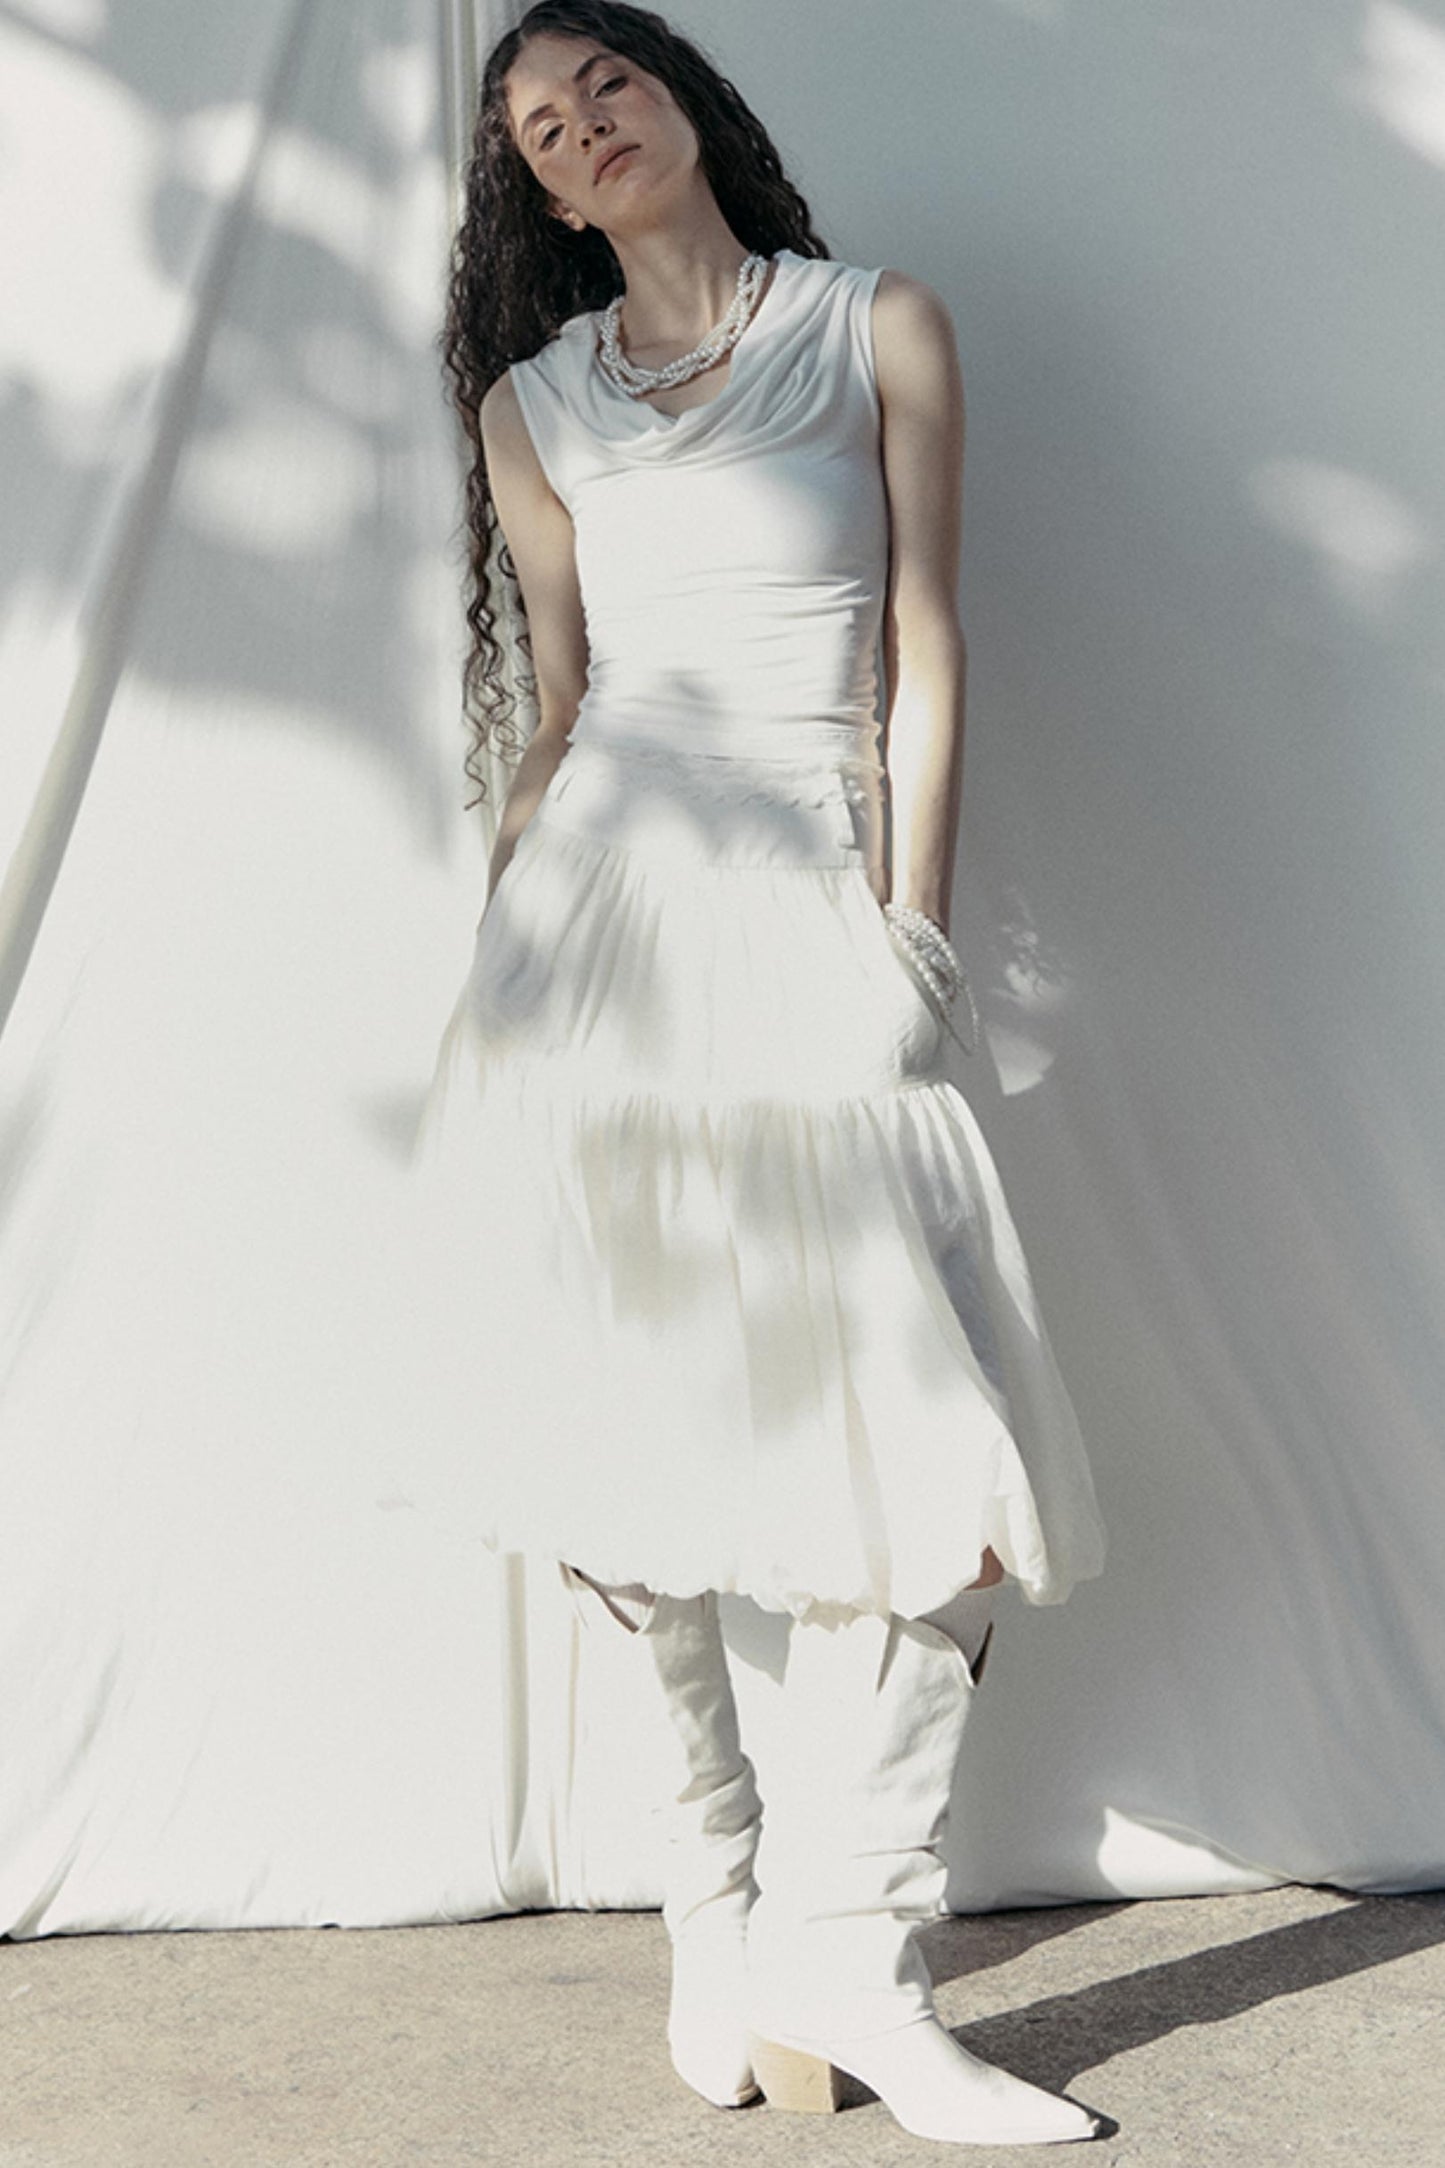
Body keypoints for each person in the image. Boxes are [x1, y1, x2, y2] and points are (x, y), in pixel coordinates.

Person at [427, 0, 1110, 2146]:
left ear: (682, 97)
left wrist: (913, 924)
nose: (581, 130)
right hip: (596, 938)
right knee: (623, 1425)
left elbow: (925, 640)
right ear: (538, 194)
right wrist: (502, 949)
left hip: (816, 903)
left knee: (940, 1483)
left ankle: (854, 1954)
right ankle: (711, 1892)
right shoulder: (530, 404)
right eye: (540, 130)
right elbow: (564, 706)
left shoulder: (875, 325)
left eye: (605, 85)